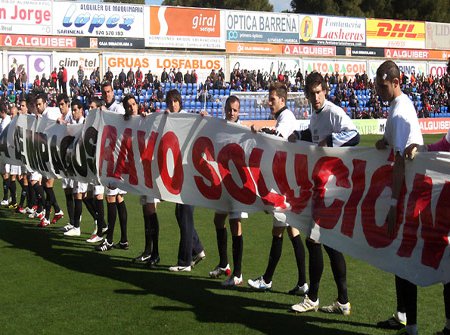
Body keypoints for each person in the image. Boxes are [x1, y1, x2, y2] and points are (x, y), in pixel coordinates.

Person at [288, 72, 359, 315]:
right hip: (323, 189)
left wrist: (330, 139)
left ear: (325, 91)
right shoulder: (316, 115)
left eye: (319, 92)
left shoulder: (333, 112)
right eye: (312, 93)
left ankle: (313, 297)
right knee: (331, 244)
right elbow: (314, 134)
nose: (316, 97)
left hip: (334, 190)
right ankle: (343, 301)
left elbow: (354, 135)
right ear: (307, 95)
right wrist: (300, 135)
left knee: (313, 240)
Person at [374, 60, 423, 335]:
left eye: (383, 86)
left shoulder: (400, 110)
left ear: (396, 81)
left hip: (408, 193)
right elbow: (394, 146)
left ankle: (412, 325)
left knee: (405, 258)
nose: (380, 91)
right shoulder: (396, 108)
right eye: (378, 86)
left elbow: (401, 161)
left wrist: (394, 203)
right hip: (407, 191)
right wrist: (384, 142)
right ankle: (403, 315)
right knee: (398, 257)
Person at [247, 82, 308, 296]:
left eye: (272, 99)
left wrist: (259, 130)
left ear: (282, 100)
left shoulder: (287, 118)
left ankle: (267, 279)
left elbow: (278, 136)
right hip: (288, 183)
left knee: (279, 231)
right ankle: (302, 283)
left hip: (286, 186)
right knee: (292, 231)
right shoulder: (284, 117)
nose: (269, 102)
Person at [206, 96, 247, 287]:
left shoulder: (243, 130)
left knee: (235, 225)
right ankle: (224, 264)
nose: (232, 113)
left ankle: (237, 273)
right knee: (217, 220)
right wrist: (203, 118)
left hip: (237, 185)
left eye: (235, 110)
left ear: (239, 112)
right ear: (225, 109)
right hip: (222, 184)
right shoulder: (220, 126)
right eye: (229, 109)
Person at [165, 89, 205, 272]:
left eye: (176, 101)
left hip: (187, 172)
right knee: (181, 213)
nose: (173, 104)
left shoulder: (187, 117)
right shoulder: (167, 117)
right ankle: (197, 249)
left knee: (185, 214)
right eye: (170, 102)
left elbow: (203, 125)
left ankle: (184, 262)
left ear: (180, 102)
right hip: (177, 173)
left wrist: (204, 117)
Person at [122, 94, 161, 267]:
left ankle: (155, 253)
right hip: (140, 174)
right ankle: (148, 250)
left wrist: (148, 118)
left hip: (150, 172)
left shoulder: (146, 119)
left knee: (151, 212)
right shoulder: (128, 122)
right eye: (129, 106)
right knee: (146, 212)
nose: (132, 107)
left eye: (134, 104)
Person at [95, 82, 128, 252]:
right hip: (110, 158)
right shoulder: (105, 109)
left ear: (113, 91)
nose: (107, 94)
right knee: (119, 198)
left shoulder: (118, 108)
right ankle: (123, 240)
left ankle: (109, 240)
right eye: (104, 92)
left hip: (115, 160)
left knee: (111, 198)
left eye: (109, 91)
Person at [35, 93, 64, 227]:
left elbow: (57, 123)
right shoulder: (43, 115)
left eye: (39, 104)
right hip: (48, 154)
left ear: (45, 103)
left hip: (53, 154)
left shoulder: (50, 113)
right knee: (47, 185)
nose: (38, 107)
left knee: (48, 185)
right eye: (36, 105)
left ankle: (50, 214)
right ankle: (55, 211)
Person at [62, 99, 88, 237]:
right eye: (72, 110)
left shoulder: (84, 124)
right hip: (73, 164)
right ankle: (75, 223)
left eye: (75, 110)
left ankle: (77, 226)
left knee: (80, 195)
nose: (73, 112)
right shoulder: (74, 124)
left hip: (81, 165)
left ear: (81, 110)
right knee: (80, 195)